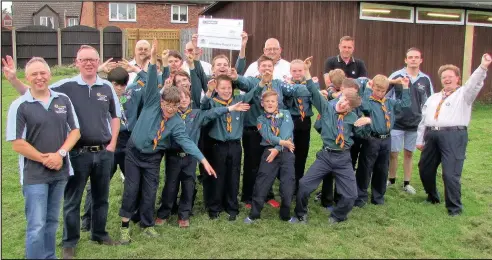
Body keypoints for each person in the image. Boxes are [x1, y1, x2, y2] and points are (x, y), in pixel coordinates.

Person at [3, 45, 122, 258]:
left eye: (92, 59)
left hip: (104, 152)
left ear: (98, 62)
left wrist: (112, 143)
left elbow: (115, 115)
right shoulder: (65, 86)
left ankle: (99, 233)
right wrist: (13, 79)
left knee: (101, 197)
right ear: (76, 62)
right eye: (83, 59)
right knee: (72, 200)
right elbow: (36, 91)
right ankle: (70, 241)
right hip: (76, 153)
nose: (88, 63)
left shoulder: (107, 87)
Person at [118, 39, 216, 244]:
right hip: (134, 153)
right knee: (132, 189)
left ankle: (147, 224)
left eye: (174, 106)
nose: (170, 109)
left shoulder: (177, 122)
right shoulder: (153, 102)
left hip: (153, 157)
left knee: (150, 190)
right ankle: (125, 226)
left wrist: (203, 160)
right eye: (167, 105)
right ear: (161, 101)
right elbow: (152, 78)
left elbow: (187, 143)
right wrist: (153, 59)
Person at [4, 57, 81, 259]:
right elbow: (17, 143)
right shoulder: (19, 105)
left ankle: (49, 256)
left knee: (52, 222)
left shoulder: (63, 100)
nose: (39, 77)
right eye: (34, 74)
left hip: (60, 172)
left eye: (43, 73)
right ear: (27, 78)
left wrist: (60, 154)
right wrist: (45, 159)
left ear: (50, 74)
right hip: (35, 176)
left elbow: (75, 132)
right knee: (36, 225)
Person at [291, 57, 371, 224]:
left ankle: (338, 216)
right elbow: (313, 90)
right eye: (344, 100)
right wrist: (306, 71)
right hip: (326, 156)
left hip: (343, 158)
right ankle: (300, 214)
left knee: (351, 195)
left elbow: (364, 133)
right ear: (340, 95)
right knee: (304, 185)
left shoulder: (352, 116)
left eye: (349, 105)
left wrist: (367, 122)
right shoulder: (326, 107)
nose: (344, 105)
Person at [155, 86, 250, 227]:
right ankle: (164, 213)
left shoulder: (197, 114)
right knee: (170, 185)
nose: (183, 100)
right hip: (173, 156)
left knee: (189, 185)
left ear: (191, 100)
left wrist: (230, 109)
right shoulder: (170, 115)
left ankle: (184, 214)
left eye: (186, 97)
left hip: (190, 157)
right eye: (180, 98)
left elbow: (213, 113)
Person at [417, 53, 490, 216]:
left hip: (454, 136)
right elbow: (424, 119)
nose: (447, 79)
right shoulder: (434, 98)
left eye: (450, 76)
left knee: (450, 173)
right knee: (425, 168)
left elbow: (474, 84)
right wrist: (420, 138)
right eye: (444, 77)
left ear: (457, 79)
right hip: (432, 135)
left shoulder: (464, 95)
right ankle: (432, 197)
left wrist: (483, 67)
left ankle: (454, 208)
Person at [81, 66, 148, 231]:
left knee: (134, 181)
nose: (119, 88)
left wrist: (139, 70)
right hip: (107, 144)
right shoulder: (100, 96)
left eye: (122, 84)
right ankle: (87, 218)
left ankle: (136, 213)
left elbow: (151, 83)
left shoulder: (132, 95)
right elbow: (84, 85)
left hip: (128, 143)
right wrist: (98, 70)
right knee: (97, 182)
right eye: (115, 84)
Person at [200, 74, 261, 221]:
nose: (226, 91)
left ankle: (232, 206)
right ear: (217, 89)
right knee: (218, 176)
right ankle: (215, 207)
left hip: (235, 145)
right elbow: (203, 108)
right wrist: (209, 92)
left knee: (233, 176)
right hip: (218, 146)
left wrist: (262, 83)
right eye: (222, 88)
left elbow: (252, 94)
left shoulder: (238, 101)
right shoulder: (213, 102)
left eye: (229, 88)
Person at [354, 75, 411, 207]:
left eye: (383, 91)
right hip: (372, 139)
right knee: (365, 168)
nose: (380, 93)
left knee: (382, 169)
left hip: (386, 139)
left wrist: (406, 87)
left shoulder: (389, 102)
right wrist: (368, 89)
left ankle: (378, 197)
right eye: (377, 90)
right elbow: (365, 107)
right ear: (372, 87)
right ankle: (360, 197)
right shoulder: (368, 100)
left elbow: (405, 105)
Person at [244, 90, 296, 224]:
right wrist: (280, 143)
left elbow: (286, 132)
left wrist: (278, 148)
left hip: (286, 151)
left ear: (277, 102)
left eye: (273, 101)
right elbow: (267, 136)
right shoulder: (260, 119)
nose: (270, 103)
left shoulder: (286, 114)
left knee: (287, 184)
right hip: (269, 152)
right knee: (262, 182)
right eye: (267, 101)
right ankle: (254, 214)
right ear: (262, 103)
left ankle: (285, 215)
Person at [386, 47, 433, 194]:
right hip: (397, 122)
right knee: (393, 153)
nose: (413, 59)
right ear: (405, 60)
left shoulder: (425, 79)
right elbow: (385, 93)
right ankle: (391, 179)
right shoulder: (396, 75)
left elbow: (429, 101)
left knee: (409, 153)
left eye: (416, 57)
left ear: (421, 60)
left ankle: (407, 183)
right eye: (410, 57)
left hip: (415, 123)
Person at [280, 59, 318, 193]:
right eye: (294, 70)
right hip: (290, 120)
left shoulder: (310, 83)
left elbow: (315, 94)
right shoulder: (285, 85)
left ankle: (298, 184)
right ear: (290, 71)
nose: (297, 73)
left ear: (305, 70)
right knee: (289, 153)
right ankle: (286, 184)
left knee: (302, 153)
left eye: (300, 70)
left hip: (304, 121)